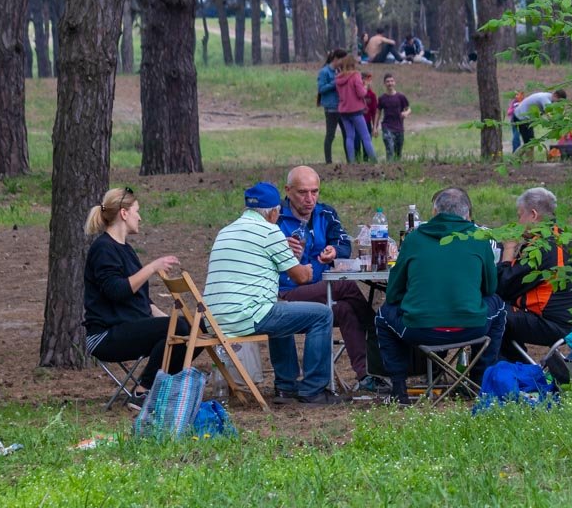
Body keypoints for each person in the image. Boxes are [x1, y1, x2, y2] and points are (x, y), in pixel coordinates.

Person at [203, 182, 345, 406]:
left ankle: (285, 387)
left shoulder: (226, 231)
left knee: (280, 311)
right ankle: (313, 389)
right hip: (244, 317)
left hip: (212, 319)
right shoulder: (270, 231)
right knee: (322, 315)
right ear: (273, 212)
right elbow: (301, 277)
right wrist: (310, 267)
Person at [375, 187, 506, 404]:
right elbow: (490, 288)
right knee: (498, 306)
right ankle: (479, 381)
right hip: (471, 327)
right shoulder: (479, 239)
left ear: (434, 212)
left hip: (419, 330)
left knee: (383, 315)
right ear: (468, 214)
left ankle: (399, 389)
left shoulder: (414, 239)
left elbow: (393, 293)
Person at [82, 187, 193, 404]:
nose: (139, 217)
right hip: (105, 335)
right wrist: (151, 268)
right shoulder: (103, 249)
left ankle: (159, 388)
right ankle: (143, 391)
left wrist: (171, 321)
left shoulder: (126, 250)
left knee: (192, 328)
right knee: (179, 329)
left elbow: (143, 301)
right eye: (137, 211)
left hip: (129, 326)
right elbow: (116, 291)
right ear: (124, 213)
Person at [276, 166, 381, 392]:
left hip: (322, 288)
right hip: (287, 290)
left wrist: (334, 251)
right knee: (344, 285)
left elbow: (344, 244)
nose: (310, 198)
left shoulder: (325, 213)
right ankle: (377, 327)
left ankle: (366, 375)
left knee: (346, 310)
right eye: (303, 192)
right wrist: (280, 248)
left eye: (314, 191)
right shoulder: (276, 218)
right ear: (288, 190)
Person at [497, 188, 572, 363]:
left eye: (520, 215)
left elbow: (503, 286)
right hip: (569, 322)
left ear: (533, 215)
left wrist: (508, 249)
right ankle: (517, 365)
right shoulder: (562, 238)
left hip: (554, 326)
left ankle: (501, 369)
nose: (518, 222)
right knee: (501, 310)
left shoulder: (542, 247)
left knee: (491, 311)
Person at [335, 54, 377, 162]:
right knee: (366, 137)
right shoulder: (355, 75)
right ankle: (374, 160)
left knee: (349, 136)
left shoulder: (338, 77)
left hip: (343, 111)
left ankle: (351, 161)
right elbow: (361, 93)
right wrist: (365, 86)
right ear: (353, 63)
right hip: (356, 110)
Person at [317, 49, 348, 165]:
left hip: (342, 107)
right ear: (336, 59)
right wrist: (335, 82)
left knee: (347, 134)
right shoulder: (324, 72)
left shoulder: (339, 71)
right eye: (342, 60)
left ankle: (350, 159)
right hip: (331, 108)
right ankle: (328, 161)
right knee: (330, 135)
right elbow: (321, 88)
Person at [375, 73, 411, 160]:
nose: (390, 83)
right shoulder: (382, 98)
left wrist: (406, 113)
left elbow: (409, 109)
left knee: (398, 154)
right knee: (390, 150)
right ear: (384, 83)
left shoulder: (401, 97)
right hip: (387, 127)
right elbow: (378, 112)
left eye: (391, 81)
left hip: (399, 128)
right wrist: (375, 127)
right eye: (387, 81)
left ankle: (396, 167)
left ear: (394, 82)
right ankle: (389, 167)